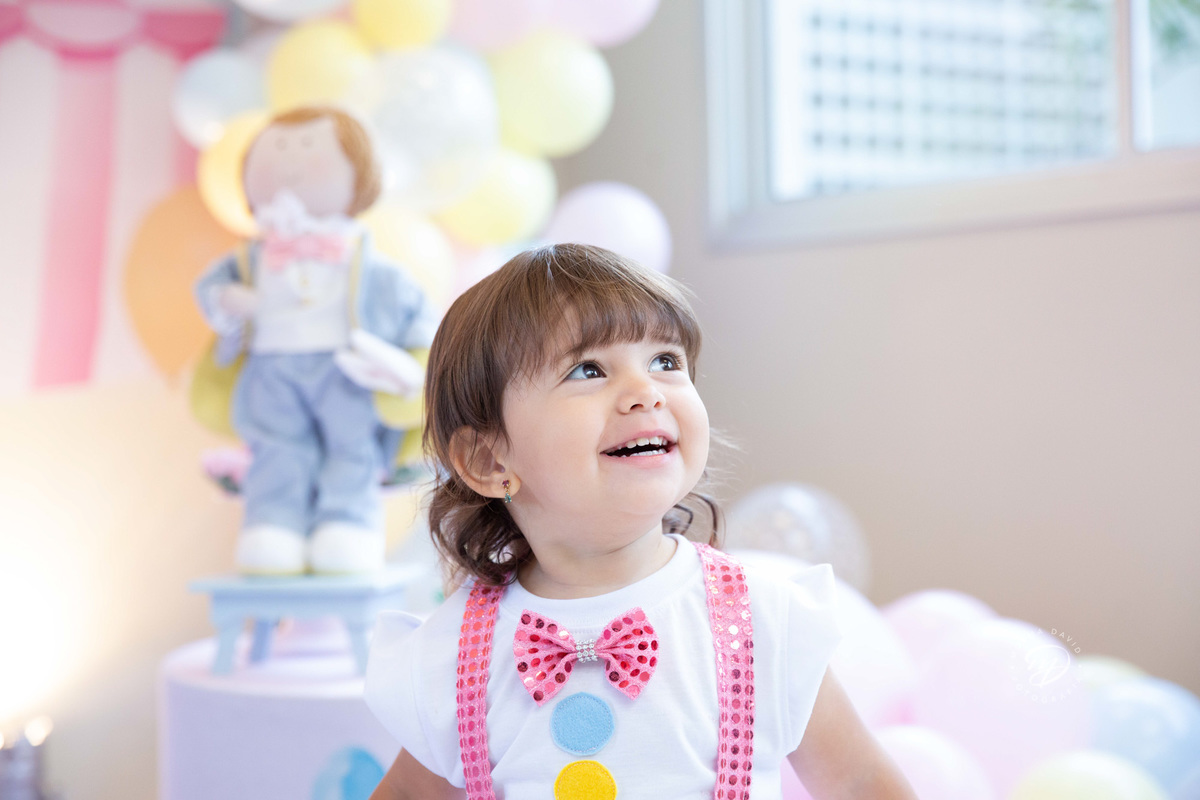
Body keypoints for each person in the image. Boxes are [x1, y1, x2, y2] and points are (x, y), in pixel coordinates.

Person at [364, 244, 917, 798]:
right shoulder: (458, 653)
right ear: (490, 461)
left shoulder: (760, 620)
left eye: (666, 362)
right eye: (588, 369)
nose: (646, 392)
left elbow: (861, 782)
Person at [194, 106, 437, 576]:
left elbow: (413, 310)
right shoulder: (250, 255)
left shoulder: (369, 261)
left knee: (351, 445)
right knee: (276, 447)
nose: (291, 161)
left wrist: (412, 361)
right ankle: (272, 527)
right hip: (269, 368)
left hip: (346, 369)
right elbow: (209, 290)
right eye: (278, 148)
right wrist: (226, 299)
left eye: (308, 146)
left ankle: (348, 525)